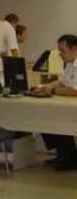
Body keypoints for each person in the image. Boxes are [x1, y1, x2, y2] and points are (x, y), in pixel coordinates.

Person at [33, 34, 77, 171]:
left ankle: (70, 158)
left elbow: (75, 90)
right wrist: (44, 87)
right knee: (46, 116)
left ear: (74, 49)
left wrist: (52, 91)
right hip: (69, 105)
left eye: (62, 51)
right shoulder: (70, 64)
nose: (60, 54)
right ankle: (63, 155)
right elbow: (62, 81)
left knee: (57, 118)